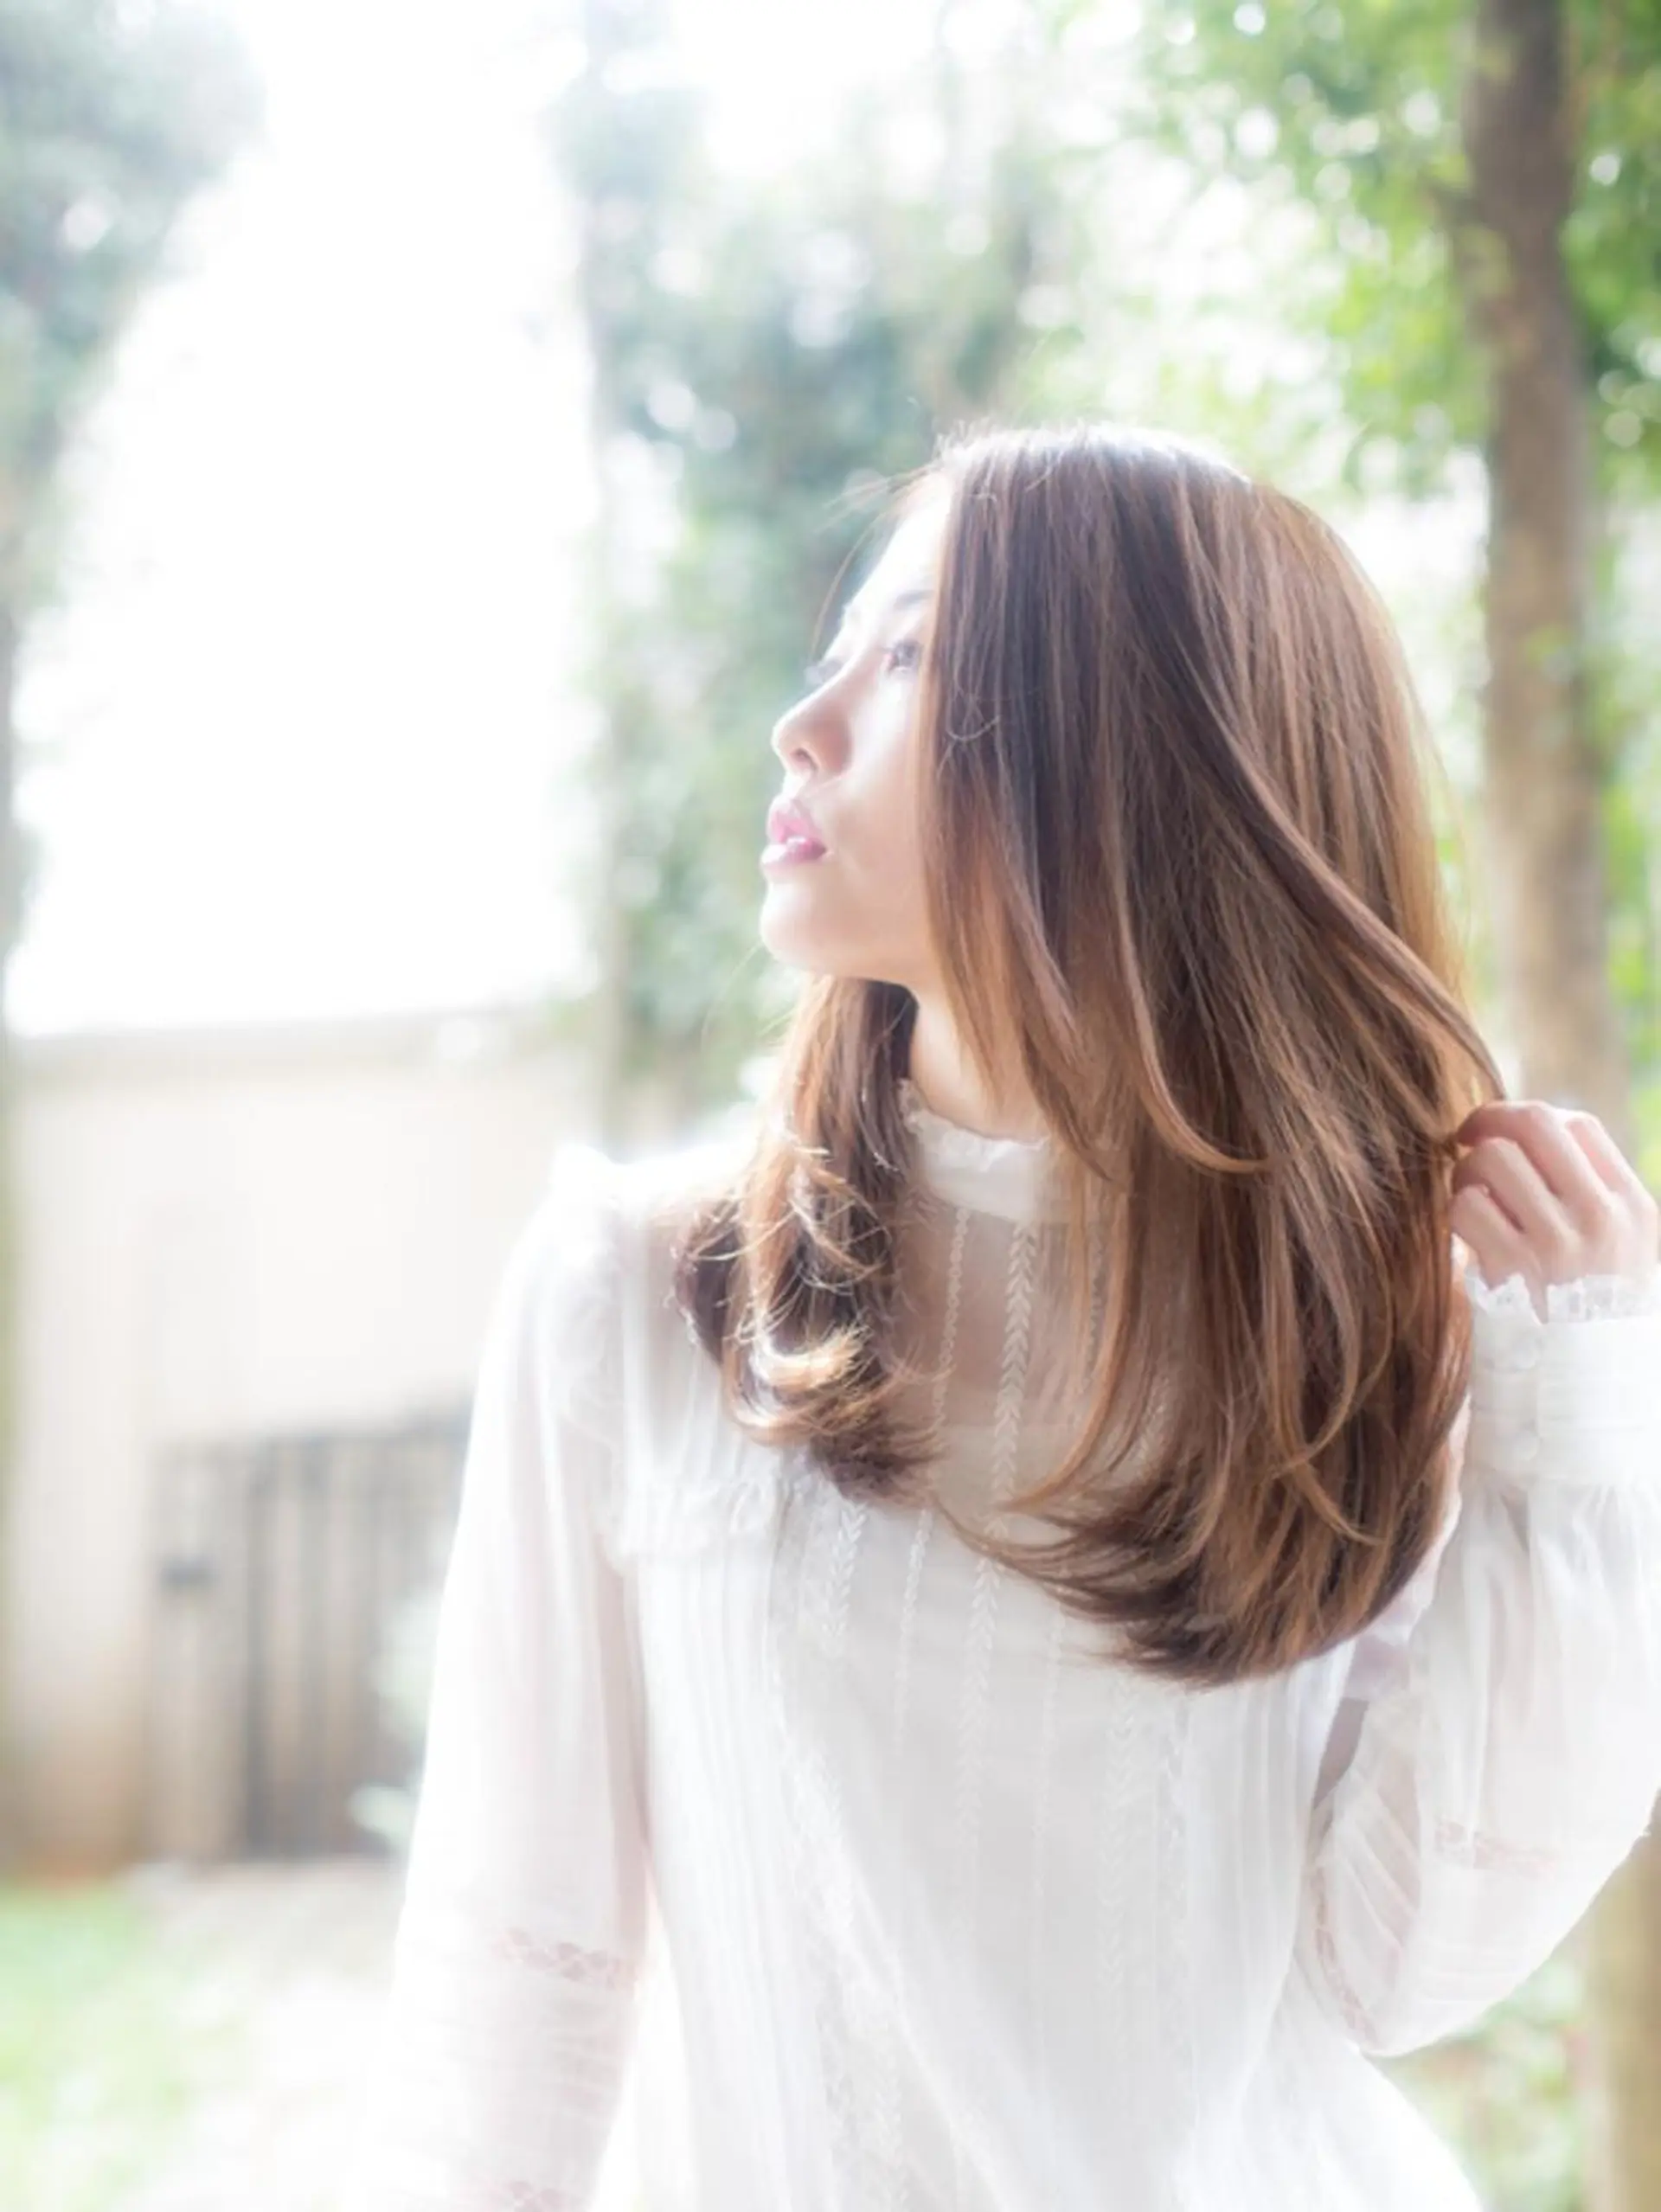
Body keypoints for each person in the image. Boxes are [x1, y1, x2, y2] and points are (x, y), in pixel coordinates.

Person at [342, 422, 1661, 2211]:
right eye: (834, 659)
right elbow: (519, 1973)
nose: (802, 731)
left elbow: (1402, 1964)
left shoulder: (1357, 1317)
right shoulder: (646, 1293)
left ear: (1130, 751)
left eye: (905, 664)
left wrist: (1576, 1441)